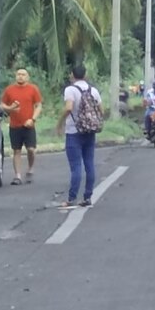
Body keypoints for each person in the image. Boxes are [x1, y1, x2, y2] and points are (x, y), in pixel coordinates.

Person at [56, 65, 102, 208]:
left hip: (74, 131)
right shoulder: (93, 90)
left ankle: (71, 198)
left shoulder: (70, 90)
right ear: (85, 75)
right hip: (90, 132)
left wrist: (60, 123)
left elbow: (69, 107)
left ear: (72, 75)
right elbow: (101, 110)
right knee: (89, 164)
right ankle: (87, 197)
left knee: (76, 166)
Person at [0, 68, 43, 185]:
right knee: (16, 151)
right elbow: (2, 105)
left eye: (23, 74)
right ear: (15, 76)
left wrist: (33, 119)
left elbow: (38, 105)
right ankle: (17, 176)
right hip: (15, 125)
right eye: (18, 74)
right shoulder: (9, 90)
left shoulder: (33, 89)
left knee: (31, 149)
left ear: (27, 77)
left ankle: (30, 168)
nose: (20, 76)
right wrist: (10, 108)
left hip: (28, 125)